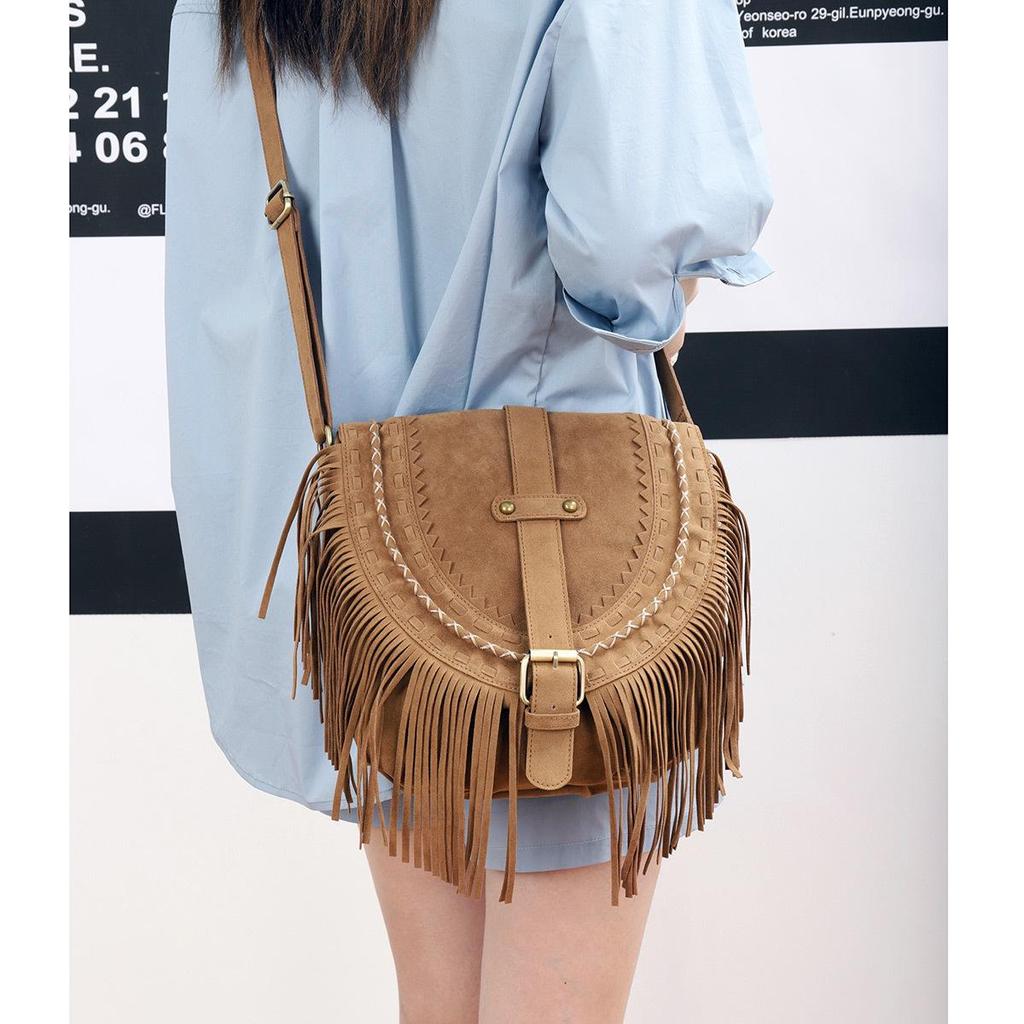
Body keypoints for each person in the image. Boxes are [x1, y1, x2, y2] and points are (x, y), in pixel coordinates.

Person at [165, 1, 772, 1020]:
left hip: (372, 548)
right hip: (566, 543)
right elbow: (632, 235)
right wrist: (661, 306)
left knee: (438, 1002)